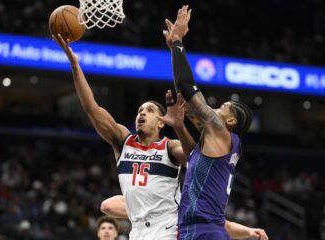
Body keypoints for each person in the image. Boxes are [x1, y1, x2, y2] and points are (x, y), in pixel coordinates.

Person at [52, 30, 266, 239]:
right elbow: (91, 108)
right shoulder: (123, 141)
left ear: (161, 123)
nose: (142, 113)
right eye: (139, 111)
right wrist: (75, 65)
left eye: (150, 110)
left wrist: (181, 126)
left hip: (169, 229)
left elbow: (196, 157)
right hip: (138, 231)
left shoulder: (169, 147)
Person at [165, 5, 264, 240]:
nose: (215, 109)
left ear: (230, 121)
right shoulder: (213, 146)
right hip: (194, 229)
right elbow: (192, 157)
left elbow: (187, 89)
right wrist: (179, 125)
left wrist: (178, 41)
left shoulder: (222, 134)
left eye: (222, 108)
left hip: (204, 231)